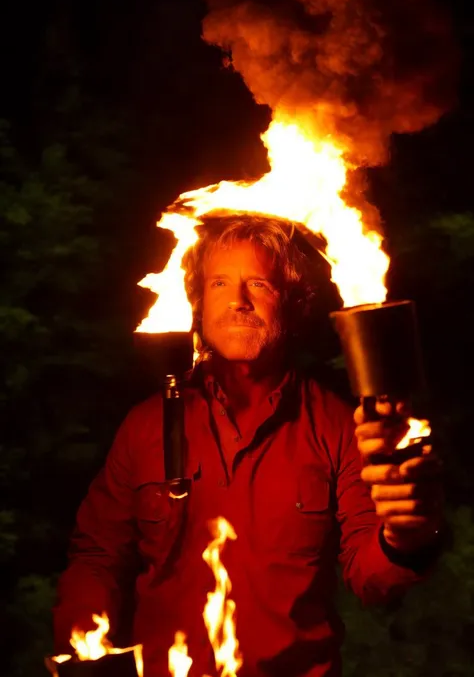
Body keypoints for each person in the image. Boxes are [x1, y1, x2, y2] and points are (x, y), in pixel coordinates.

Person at [54, 216, 444, 677]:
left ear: (293, 304)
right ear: (197, 304)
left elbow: (372, 578)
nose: (238, 301)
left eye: (259, 284)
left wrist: (405, 538)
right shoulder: (146, 427)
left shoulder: (339, 427)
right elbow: (97, 556)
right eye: (220, 283)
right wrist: (85, 641)